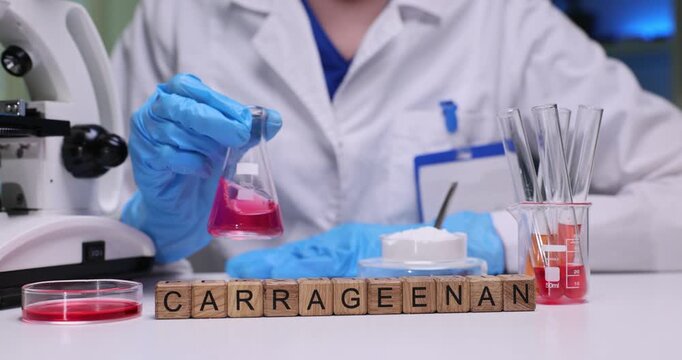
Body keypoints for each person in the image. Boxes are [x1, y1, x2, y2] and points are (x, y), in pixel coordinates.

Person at [112, 0, 682, 277]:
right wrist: (150, 231)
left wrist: (499, 238)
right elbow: (72, 237)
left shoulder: (510, 22)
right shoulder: (177, 17)